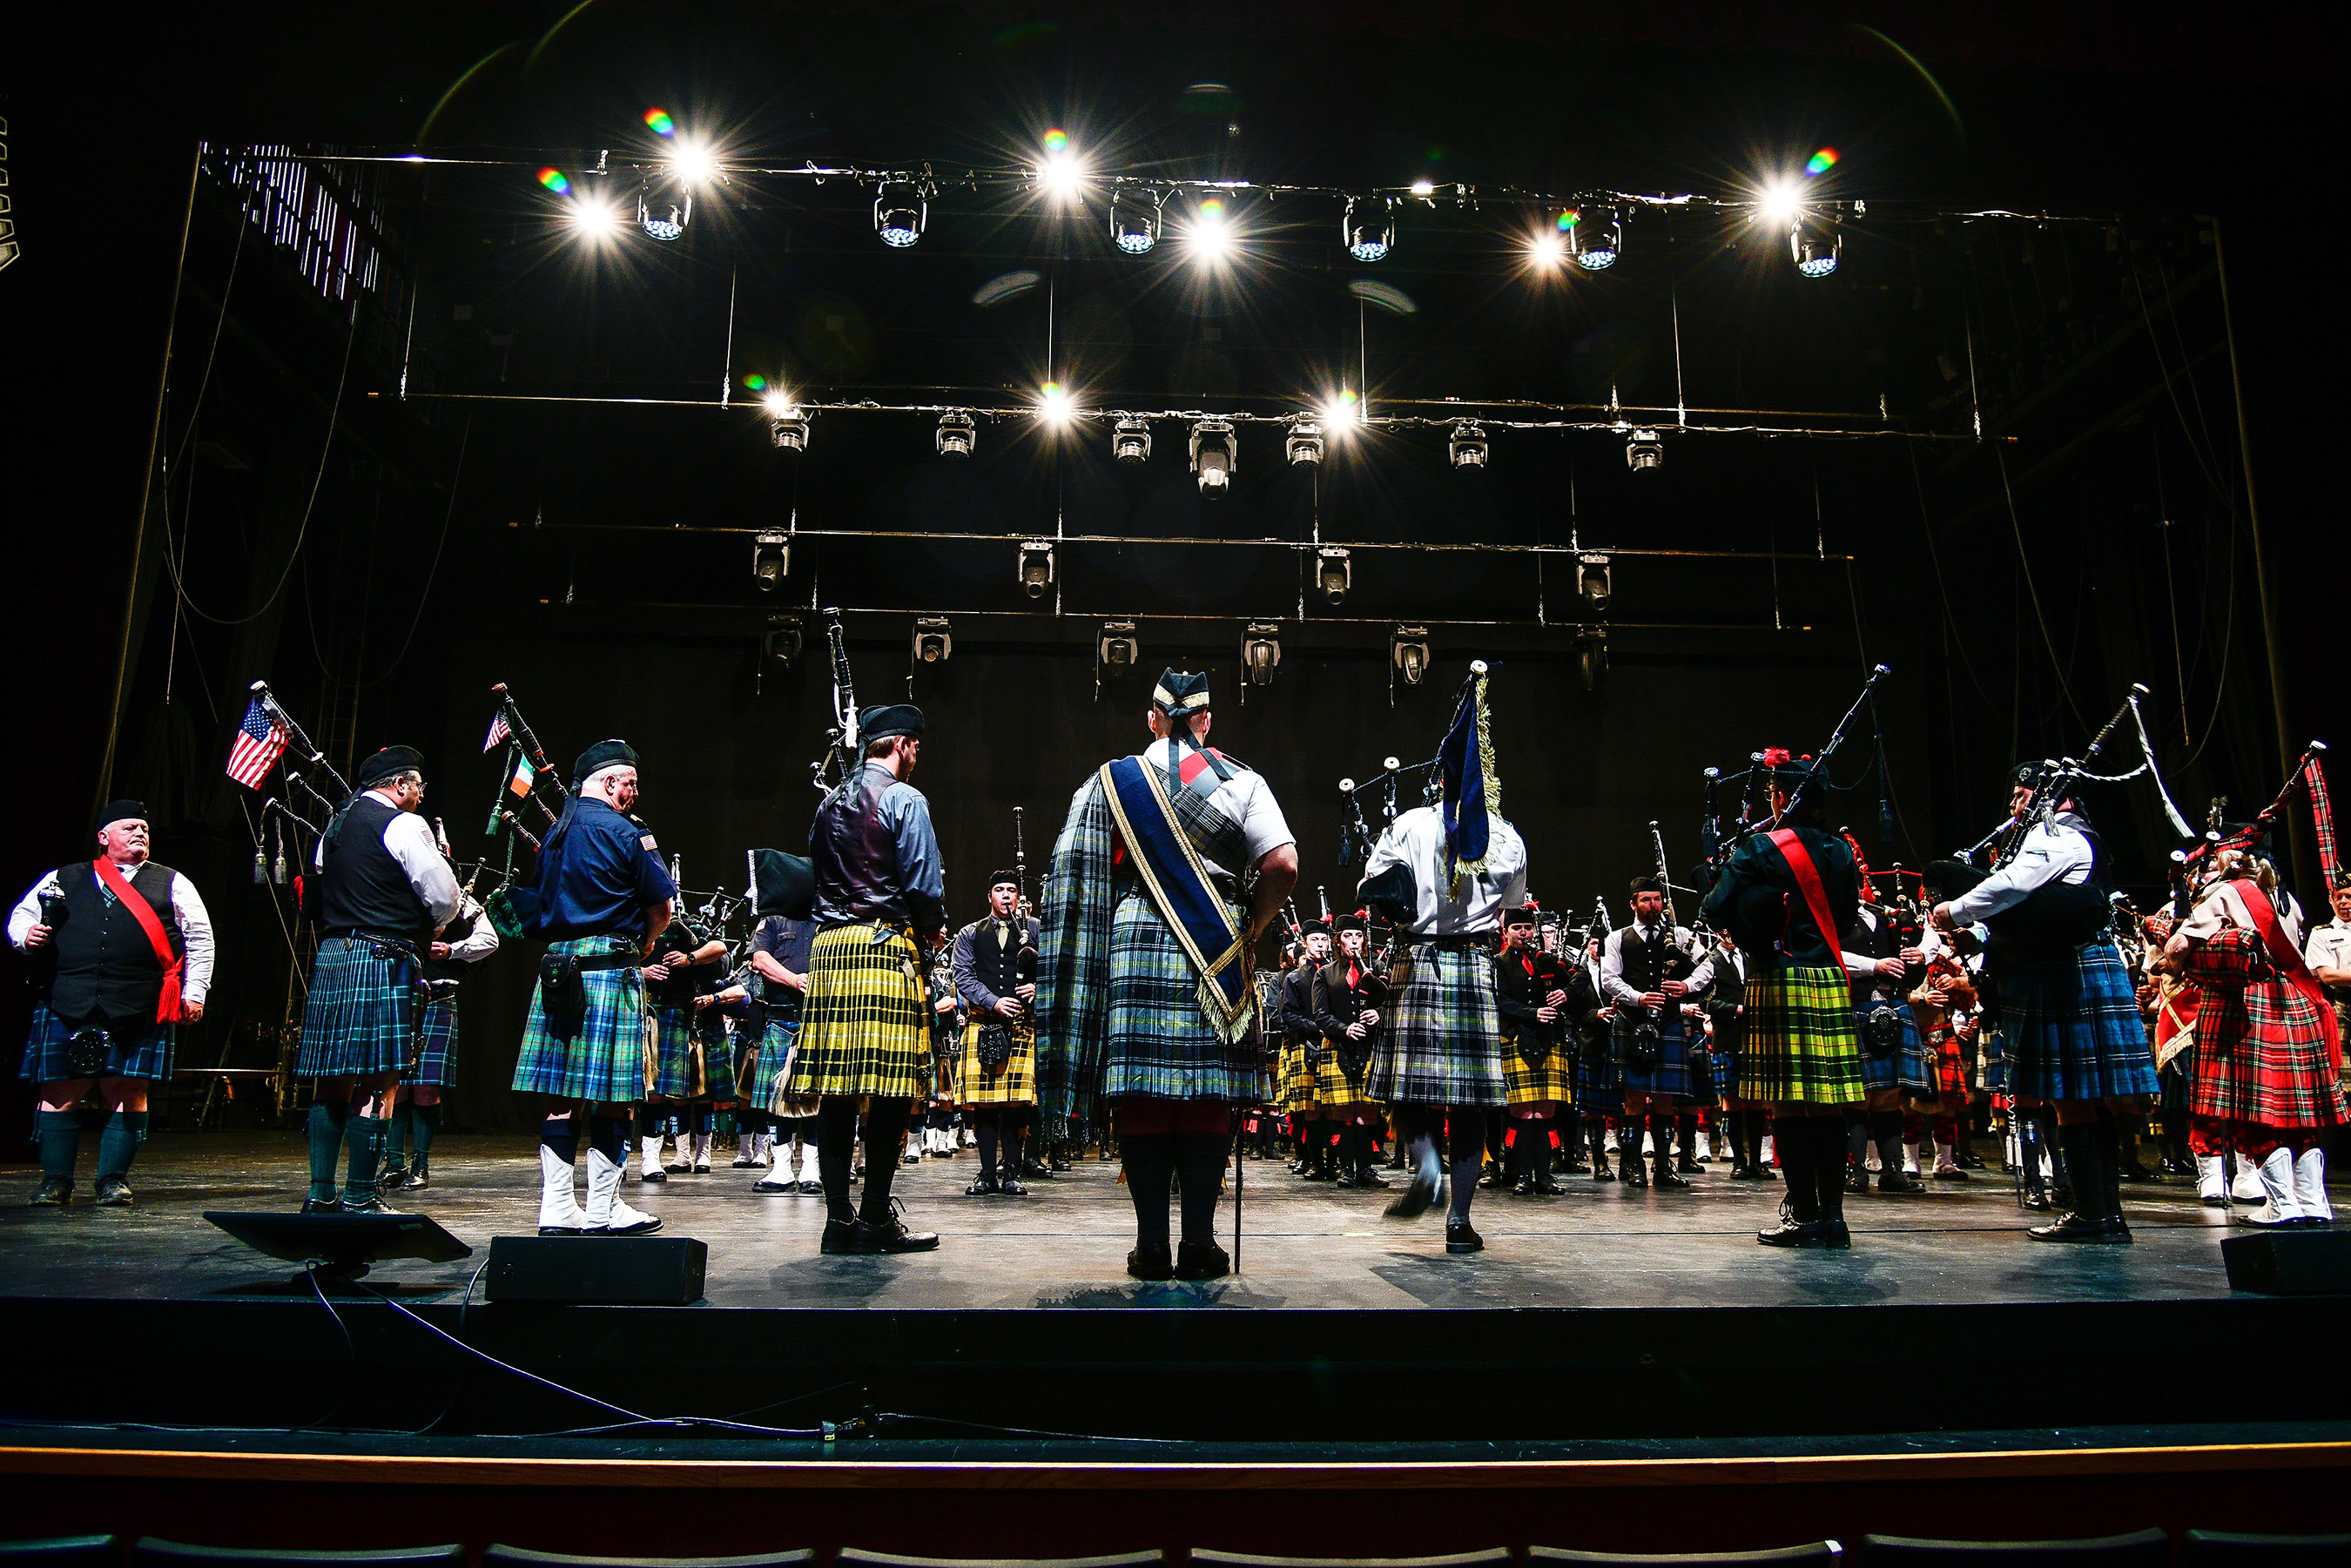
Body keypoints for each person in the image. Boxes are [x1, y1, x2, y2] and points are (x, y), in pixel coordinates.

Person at [1037, 670, 1299, 1282]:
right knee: (1207, 1093)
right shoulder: (1244, 779)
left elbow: (1076, 881)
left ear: (1151, 718)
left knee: (1143, 1092)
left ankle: (1151, 1242)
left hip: (1134, 944)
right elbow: (1283, 865)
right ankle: (1200, 1243)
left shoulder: (1111, 782)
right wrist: (1252, 930)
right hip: (1218, 952)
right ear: (1206, 721)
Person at [1933, 764, 2159, 1243]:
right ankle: (2100, 1212)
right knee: (2077, 1100)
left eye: (2021, 795)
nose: (2013, 806)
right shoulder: (2066, 836)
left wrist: (1954, 909)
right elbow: (2026, 909)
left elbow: (2013, 886)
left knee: (2072, 1098)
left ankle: (2094, 1214)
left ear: (2050, 796)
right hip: (2068, 968)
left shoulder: (2057, 834)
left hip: (2067, 974)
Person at [1357, 667, 1528, 1255]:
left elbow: (1372, 891)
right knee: (1474, 1104)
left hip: (1417, 961)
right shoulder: (1507, 836)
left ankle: (1425, 1163)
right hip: (1474, 966)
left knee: (1405, 1090)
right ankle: (1459, 1220)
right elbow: (1511, 909)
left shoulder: (1405, 825)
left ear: (1437, 777)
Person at [784, 704, 947, 1255]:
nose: (917, 757)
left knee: (836, 1091)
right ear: (900, 744)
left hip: (829, 951)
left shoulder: (827, 803)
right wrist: (931, 932)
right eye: (916, 747)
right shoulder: (906, 800)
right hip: (885, 949)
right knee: (892, 1091)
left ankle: (837, 1222)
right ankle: (876, 1217)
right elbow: (924, 887)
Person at [10, 800, 214, 1207]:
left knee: (128, 1089)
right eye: (130, 828)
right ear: (104, 838)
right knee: (58, 1091)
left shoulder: (172, 882)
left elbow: (200, 939)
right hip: (66, 999)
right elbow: (21, 915)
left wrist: (194, 993)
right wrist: (25, 934)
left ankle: (113, 1181)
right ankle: (55, 1182)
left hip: (137, 1004)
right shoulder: (63, 877)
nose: (140, 833)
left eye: (145, 828)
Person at [510, 740, 676, 1236]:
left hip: (559, 972)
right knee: (615, 1096)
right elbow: (661, 907)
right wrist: (646, 944)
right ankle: (604, 1210)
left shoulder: (555, 833)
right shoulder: (628, 832)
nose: (633, 794)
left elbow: (536, 903)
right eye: (630, 784)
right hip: (609, 970)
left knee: (562, 1095)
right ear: (609, 781)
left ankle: (558, 1209)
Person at [1701, 751, 1866, 1249]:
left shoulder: (1759, 848)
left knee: (1791, 1107)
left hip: (1780, 976)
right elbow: (1849, 914)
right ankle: (1834, 1219)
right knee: (1830, 1105)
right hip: (1831, 977)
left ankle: (1804, 1215)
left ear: (1780, 796)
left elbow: (1713, 909)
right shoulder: (1840, 851)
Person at [291, 750, 460, 1215]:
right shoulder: (404, 825)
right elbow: (444, 897)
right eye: (419, 786)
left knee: (331, 1081)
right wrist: (434, 926)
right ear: (400, 785)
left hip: (333, 956)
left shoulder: (335, 826)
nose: (422, 795)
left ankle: (319, 1193)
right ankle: (362, 1195)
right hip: (383, 956)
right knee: (378, 1081)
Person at [2161, 844, 2347, 1226]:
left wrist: (2176, 963)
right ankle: (2313, 1203)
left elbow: (2178, 947)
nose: (2212, 864)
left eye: (2217, 858)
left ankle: (2281, 1206)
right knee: (2299, 1116)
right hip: (2296, 1001)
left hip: (2244, 1005)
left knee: (2256, 1114)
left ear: (2237, 862)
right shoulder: (2286, 897)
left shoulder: (2227, 893)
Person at [1600, 876, 1715, 1191]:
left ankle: (1664, 1166)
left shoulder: (1679, 935)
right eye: (1646, 900)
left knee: (1666, 1099)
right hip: (1633, 1022)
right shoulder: (1617, 938)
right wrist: (1638, 997)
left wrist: (1686, 987)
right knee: (1634, 1100)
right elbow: (1609, 979)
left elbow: (1708, 967)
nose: (1653, 905)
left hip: (1668, 1024)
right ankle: (1633, 1164)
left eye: (1657, 899)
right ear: (1633, 904)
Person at [383, 881, 498, 1191]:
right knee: (395, 1084)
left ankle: (420, 1164)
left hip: (438, 997)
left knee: (425, 1087)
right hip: (399, 994)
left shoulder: (459, 899)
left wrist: (452, 950)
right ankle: (393, 1163)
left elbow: (489, 940)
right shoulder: (398, 890)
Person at [1842, 886, 1937, 1196]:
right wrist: (1874, 966)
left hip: (1894, 1006)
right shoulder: (1833, 918)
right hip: (1855, 1005)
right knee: (1859, 1095)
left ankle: (1893, 1172)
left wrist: (1923, 953)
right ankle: (1854, 1170)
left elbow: (1932, 932)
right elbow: (1831, 952)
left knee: (1889, 1096)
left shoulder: (1888, 917)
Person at [952, 871, 1041, 1196]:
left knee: (1016, 1104)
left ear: (1019, 897)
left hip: (1021, 1026)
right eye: (999, 890)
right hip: (983, 1023)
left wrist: (1038, 987)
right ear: (989, 896)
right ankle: (988, 1174)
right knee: (985, 1104)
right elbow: (962, 974)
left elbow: (1055, 968)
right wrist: (992, 1000)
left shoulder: (1035, 930)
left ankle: (1012, 1175)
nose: (1006, 895)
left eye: (1012, 890)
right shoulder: (970, 933)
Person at [640, 907, 731, 1181]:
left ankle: (689, 1155)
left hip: (675, 1014)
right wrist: (641, 972)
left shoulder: (680, 927)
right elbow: (613, 960)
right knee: (649, 1093)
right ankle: (649, 1159)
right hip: (641, 1010)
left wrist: (689, 958)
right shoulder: (632, 924)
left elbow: (719, 948)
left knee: (682, 1093)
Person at [1493, 900, 1573, 1196]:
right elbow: (1500, 1001)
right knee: (1523, 1113)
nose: (1523, 933)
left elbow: (1583, 982)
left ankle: (1545, 1176)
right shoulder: (1498, 963)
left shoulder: (1546, 961)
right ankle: (1523, 1175)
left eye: (1528, 928)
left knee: (1545, 1112)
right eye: (1517, 928)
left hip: (1547, 1039)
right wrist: (1533, 1013)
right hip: (1515, 1038)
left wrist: (1565, 993)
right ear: (1506, 931)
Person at [1310, 910, 1391, 1189]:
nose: (1354, 941)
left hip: (1370, 1047)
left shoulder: (1378, 971)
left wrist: (1380, 1013)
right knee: (1344, 1112)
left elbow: (1393, 1003)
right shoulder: (1325, 974)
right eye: (1348, 936)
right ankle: (1346, 1169)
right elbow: (1320, 1014)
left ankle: (1367, 1168)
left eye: (1358, 936)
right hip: (1338, 1046)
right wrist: (1344, 1028)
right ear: (1338, 941)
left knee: (1368, 1111)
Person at [747, 907, 820, 1195]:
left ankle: (812, 1168)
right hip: (779, 1019)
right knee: (776, 1100)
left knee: (815, 1099)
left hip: (817, 1020)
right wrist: (794, 980)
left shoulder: (829, 921)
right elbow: (760, 959)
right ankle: (781, 1168)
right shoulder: (774, 921)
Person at [1277, 919, 1333, 1178]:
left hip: (1333, 1043)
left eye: (1323, 940)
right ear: (1305, 944)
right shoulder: (1295, 978)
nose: (1320, 944)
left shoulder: (1336, 973)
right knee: (1310, 1110)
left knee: (1333, 1108)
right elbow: (1287, 1014)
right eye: (1315, 940)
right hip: (1306, 1044)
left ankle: (1334, 1162)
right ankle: (1314, 1161)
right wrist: (1315, 1027)